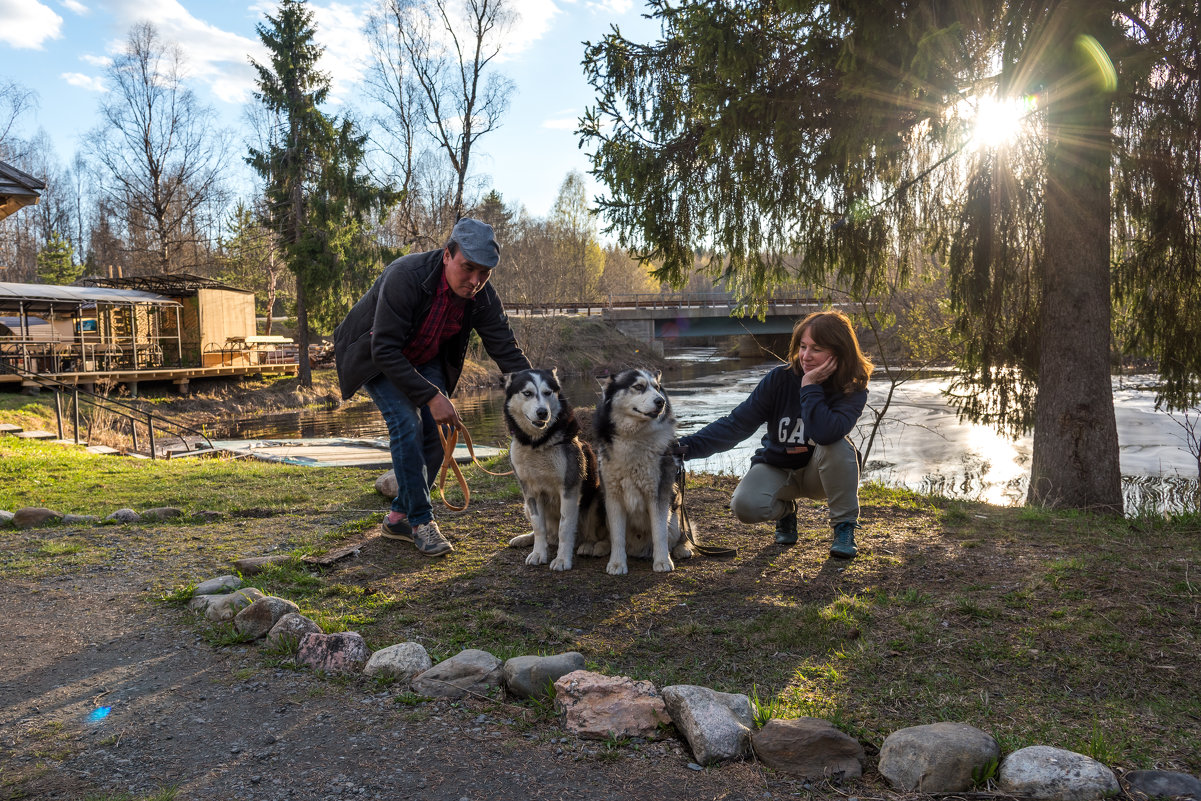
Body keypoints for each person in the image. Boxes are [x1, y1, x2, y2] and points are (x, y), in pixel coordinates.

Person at [334, 219, 531, 557]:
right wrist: (430, 396)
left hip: (426, 357)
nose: (475, 281)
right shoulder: (405, 276)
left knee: (440, 431)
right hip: (379, 354)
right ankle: (420, 523)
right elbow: (384, 349)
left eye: (484, 273)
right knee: (407, 424)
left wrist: (538, 393)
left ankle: (399, 516)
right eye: (468, 268)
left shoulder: (482, 295)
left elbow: (505, 349)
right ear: (447, 256)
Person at [676, 309, 872, 558]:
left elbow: (825, 433)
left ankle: (844, 528)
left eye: (816, 349)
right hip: (778, 467)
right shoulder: (780, 379)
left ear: (838, 352)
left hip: (820, 477)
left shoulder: (852, 388)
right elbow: (737, 424)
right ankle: (787, 512)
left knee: (837, 445)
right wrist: (685, 447)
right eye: (803, 346)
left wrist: (810, 387)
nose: (806, 356)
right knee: (744, 506)